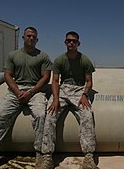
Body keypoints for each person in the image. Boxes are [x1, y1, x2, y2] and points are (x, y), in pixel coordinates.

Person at [0, 27, 52, 168]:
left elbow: (46, 77)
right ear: (23, 38)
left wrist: (30, 92)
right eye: (28, 36)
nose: (31, 38)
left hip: (35, 92)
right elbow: (7, 75)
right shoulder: (13, 55)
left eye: (34, 37)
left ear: (37, 40)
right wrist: (18, 92)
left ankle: (40, 153)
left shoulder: (43, 56)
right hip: (15, 91)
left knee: (41, 115)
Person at [40, 31, 98, 169]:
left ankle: (89, 157)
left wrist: (85, 95)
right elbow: (54, 81)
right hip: (63, 89)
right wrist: (55, 99)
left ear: (78, 43)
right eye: (69, 41)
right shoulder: (60, 60)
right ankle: (47, 156)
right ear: (65, 43)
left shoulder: (84, 60)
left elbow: (89, 82)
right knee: (50, 116)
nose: (71, 43)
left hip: (79, 90)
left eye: (74, 41)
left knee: (87, 116)